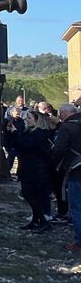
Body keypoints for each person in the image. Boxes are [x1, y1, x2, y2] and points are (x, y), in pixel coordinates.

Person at [14, 110, 54, 232]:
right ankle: (36, 219)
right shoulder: (28, 132)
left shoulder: (39, 133)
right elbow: (18, 144)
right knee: (29, 194)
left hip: (35, 169)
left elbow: (27, 146)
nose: (26, 120)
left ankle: (42, 220)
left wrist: (16, 133)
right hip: (27, 167)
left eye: (29, 118)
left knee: (30, 194)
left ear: (36, 120)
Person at [50, 102, 81, 253]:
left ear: (63, 113)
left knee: (76, 208)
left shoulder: (67, 127)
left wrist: (52, 165)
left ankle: (80, 242)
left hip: (76, 170)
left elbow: (59, 149)